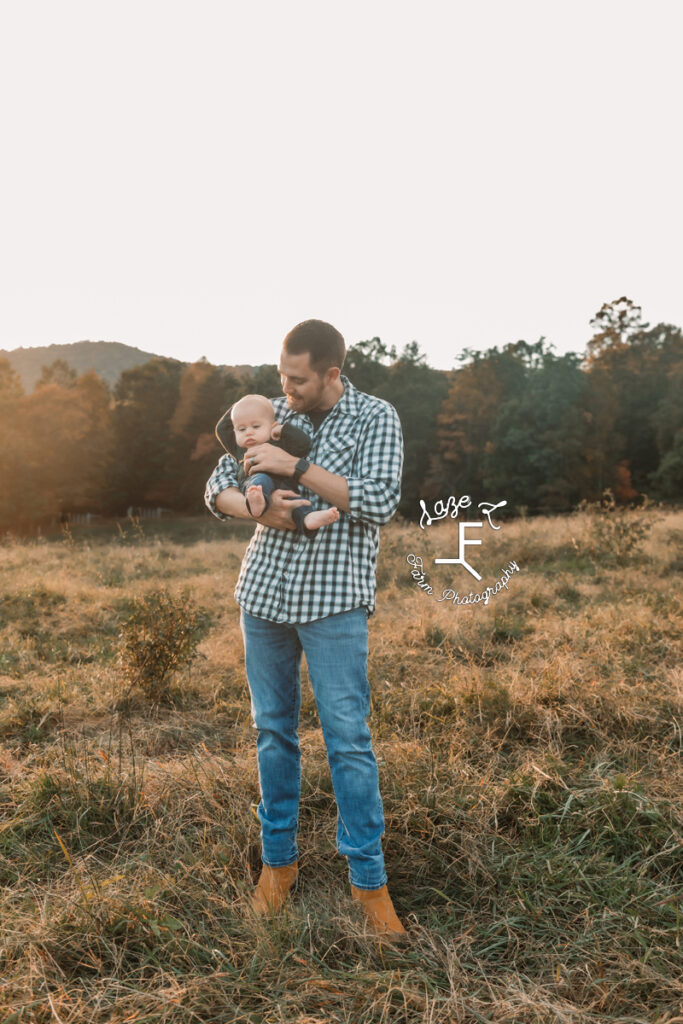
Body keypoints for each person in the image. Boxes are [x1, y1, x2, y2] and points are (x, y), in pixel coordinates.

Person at [204, 318, 408, 943]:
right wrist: (262, 511)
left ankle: (368, 884)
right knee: (273, 732)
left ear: (331, 374)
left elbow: (377, 501)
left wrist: (298, 464)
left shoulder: (376, 417)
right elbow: (217, 485)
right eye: (281, 376)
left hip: (334, 603)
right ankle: (279, 865)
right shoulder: (266, 406)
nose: (284, 390)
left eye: (297, 380)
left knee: (347, 739)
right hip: (263, 595)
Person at [215, 393, 340, 536]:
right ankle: (257, 500)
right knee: (260, 480)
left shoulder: (279, 442)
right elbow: (222, 428)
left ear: (272, 426)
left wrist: (283, 430)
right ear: (235, 432)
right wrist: (244, 403)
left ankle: (307, 518)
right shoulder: (239, 449)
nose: (248, 432)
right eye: (242, 429)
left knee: (296, 502)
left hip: (285, 486)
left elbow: (304, 445)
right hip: (254, 481)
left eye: (256, 426)